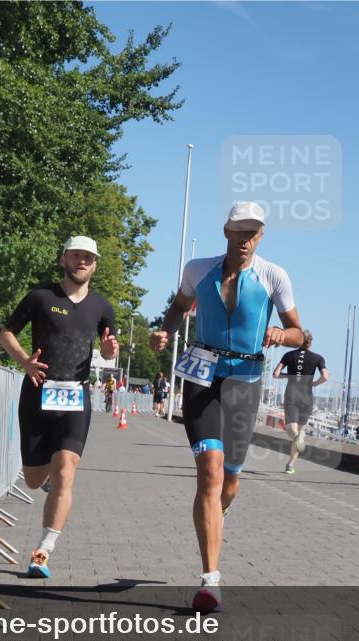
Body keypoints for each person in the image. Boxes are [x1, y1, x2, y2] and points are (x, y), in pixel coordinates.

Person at [150, 201, 303, 612]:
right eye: (239, 231)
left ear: (262, 236)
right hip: (201, 378)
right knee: (210, 470)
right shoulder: (197, 269)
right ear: (226, 231)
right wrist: (164, 333)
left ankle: (217, 518)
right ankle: (210, 581)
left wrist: (280, 334)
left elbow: (301, 334)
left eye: (253, 232)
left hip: (244, 383)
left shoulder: (273, 275)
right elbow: (180, 307)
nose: (246, 239)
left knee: (229, 483)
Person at [0, 235, 118, 579]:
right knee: (35, 480)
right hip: (37, 392)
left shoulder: (102, 307)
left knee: (66, 470)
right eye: (77, 255)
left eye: (89, 258)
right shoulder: (41, 297)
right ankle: (46, 481)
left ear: (95, 265)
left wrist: (110, 351)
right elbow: (6, 333)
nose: (83, 262)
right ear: (63, 258)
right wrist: (25, 361)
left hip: (76, 397)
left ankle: (42, 552)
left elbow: (111, 350)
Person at [273, 330, 329, 474]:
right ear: (311, 342)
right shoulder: (318, 358)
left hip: (291, 396)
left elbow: (276, 374)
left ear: (298, 341)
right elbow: (325, 376)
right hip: (307, 397)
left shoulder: (289, 355)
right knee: (299, 434)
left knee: (293, 433)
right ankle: (291, 464)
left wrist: (289, 376)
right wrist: (315, 383)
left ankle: (298, 441)